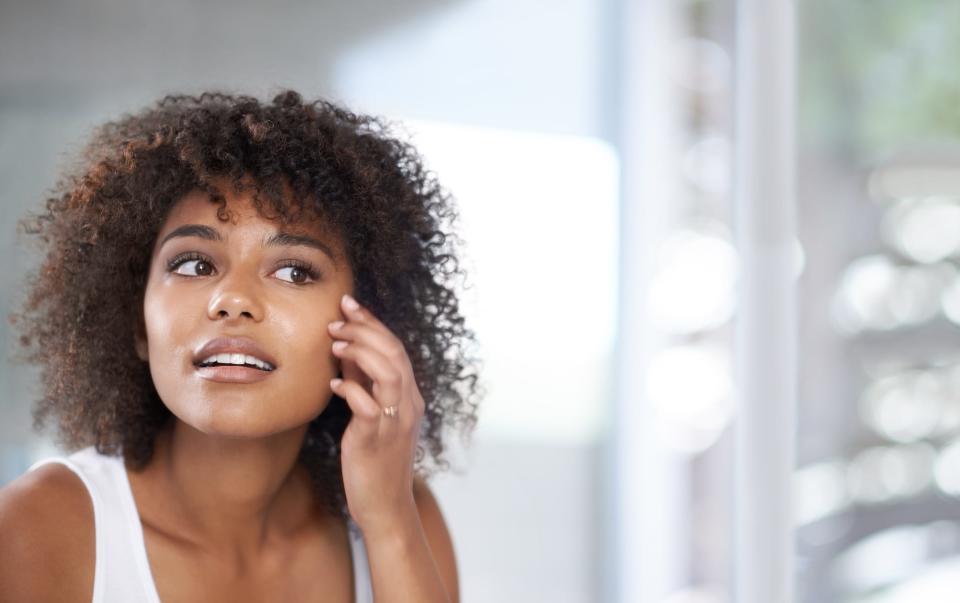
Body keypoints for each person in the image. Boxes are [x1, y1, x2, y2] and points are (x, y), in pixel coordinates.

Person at [0, 90, 482, 602]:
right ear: (138, 324)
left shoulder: (402, 517)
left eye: (295, 271)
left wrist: (388, 523)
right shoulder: (40, 528)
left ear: (371, 329)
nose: (233, 299)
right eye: (193, 264)